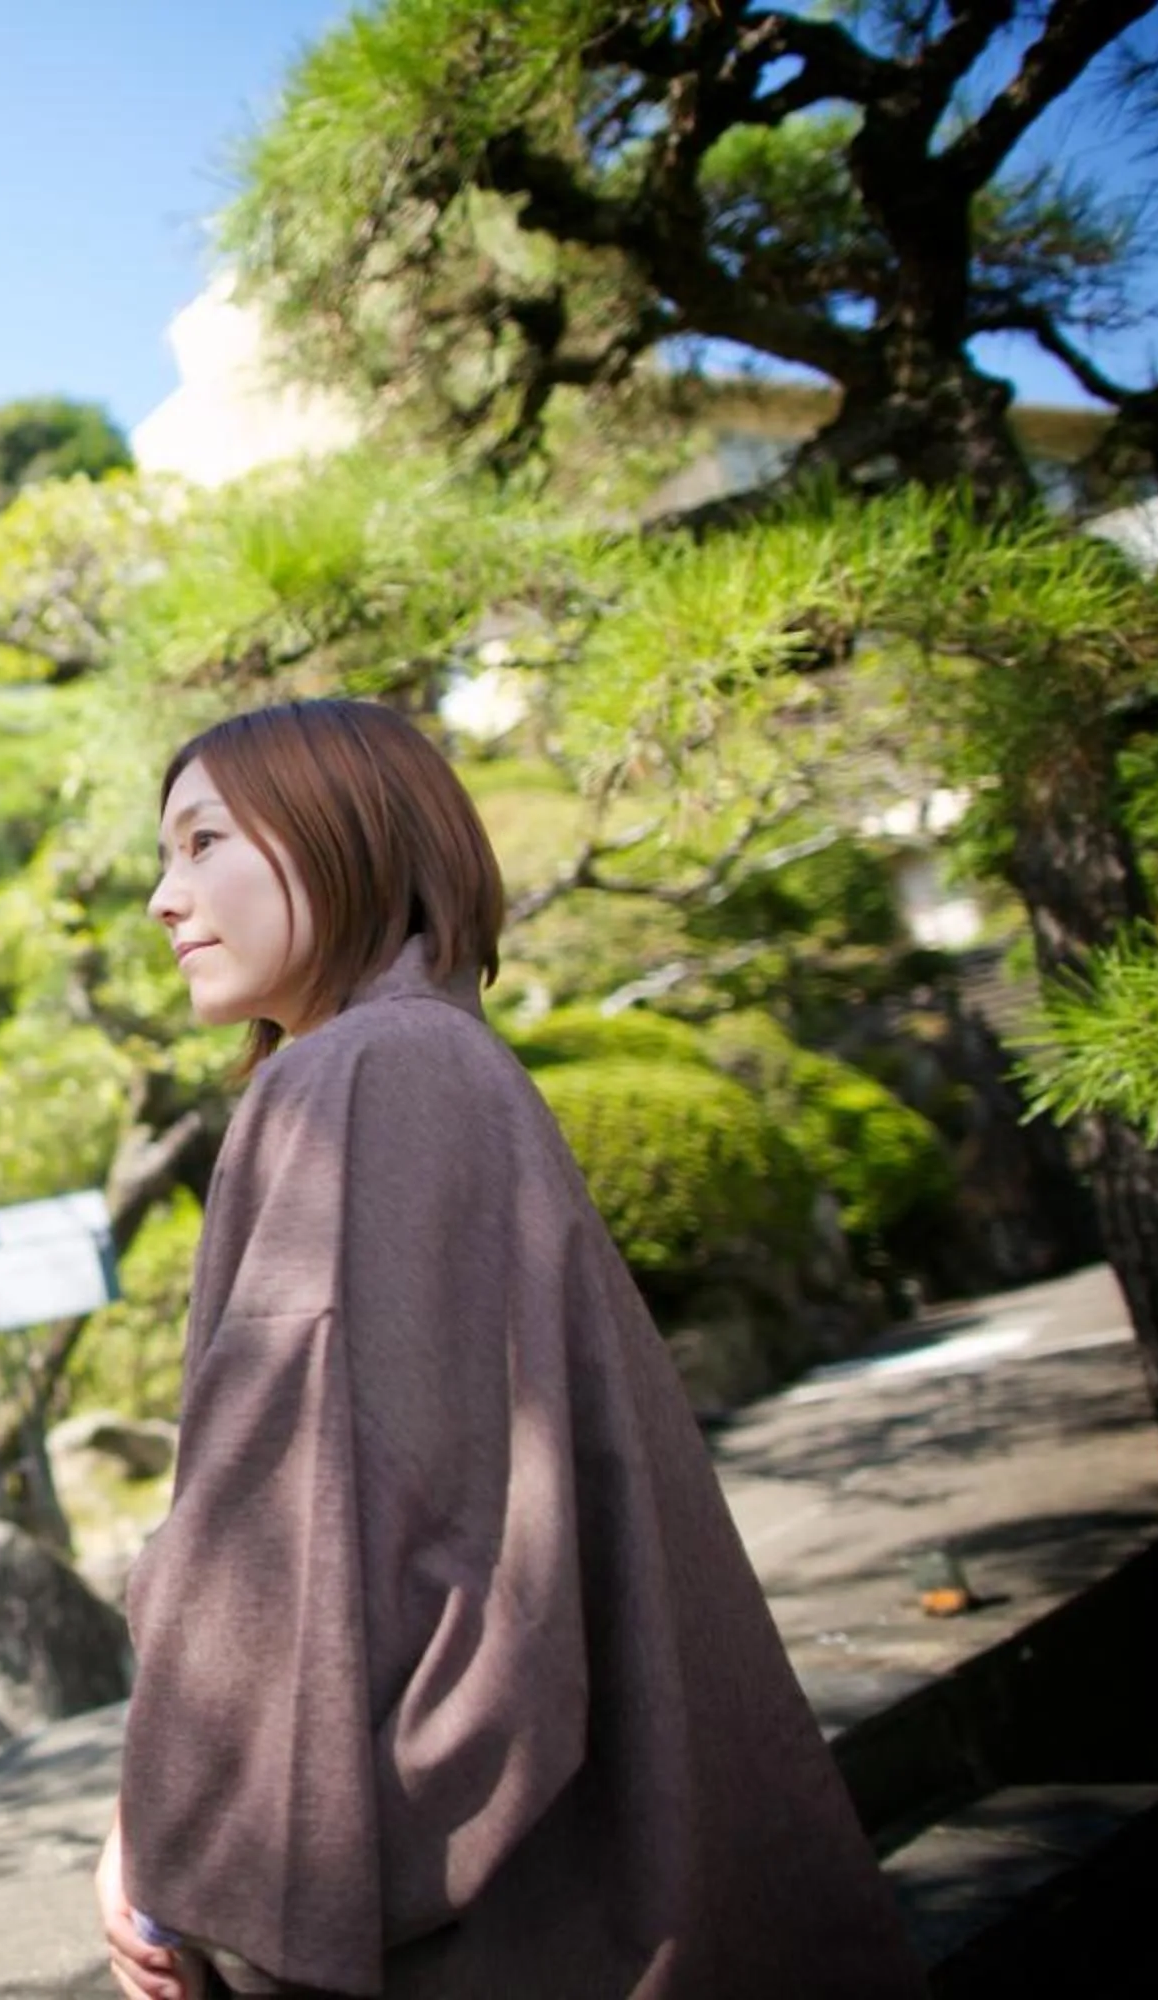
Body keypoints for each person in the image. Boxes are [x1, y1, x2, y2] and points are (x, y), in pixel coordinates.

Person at [95, 700, 923, 1999]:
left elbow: (285, 1518)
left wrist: (178, 1820)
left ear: (340, 839)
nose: (164, 896)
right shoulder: (444, 1064)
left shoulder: (350, 1081)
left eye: (203, 844)